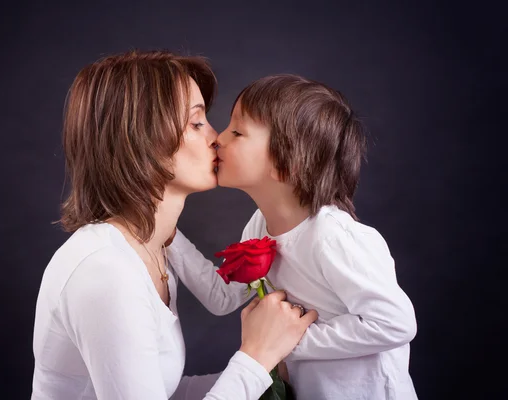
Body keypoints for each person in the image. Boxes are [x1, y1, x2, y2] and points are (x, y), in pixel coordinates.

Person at [30, 51, 317, 400]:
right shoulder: (107, 272)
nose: (217, 138)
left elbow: (164, 392)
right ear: (142, 141)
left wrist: (273, 380)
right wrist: (256, 358)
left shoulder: (150, 249)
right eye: (197, 123)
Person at [166, 74, 418, 399]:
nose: (218, 138)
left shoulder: (331, 236)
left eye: (237, 132)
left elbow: (394, 323)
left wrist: (291, 341)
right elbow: (223, 298)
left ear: (285, 166)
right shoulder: (260, 224)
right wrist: (166, 236)